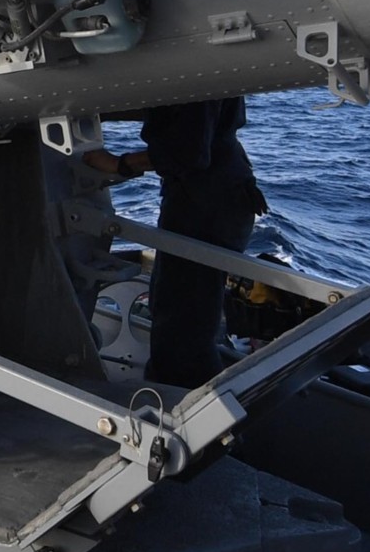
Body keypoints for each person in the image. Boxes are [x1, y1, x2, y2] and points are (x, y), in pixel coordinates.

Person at [86, 98, 267, 390]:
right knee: (186, 313)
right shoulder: (212, 65)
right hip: (220, 196)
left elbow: (190, 153)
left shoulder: (201, 75)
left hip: (204, 204)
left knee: (181, 330)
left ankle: (185, 407)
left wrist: (119, 164)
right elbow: (179, 111)